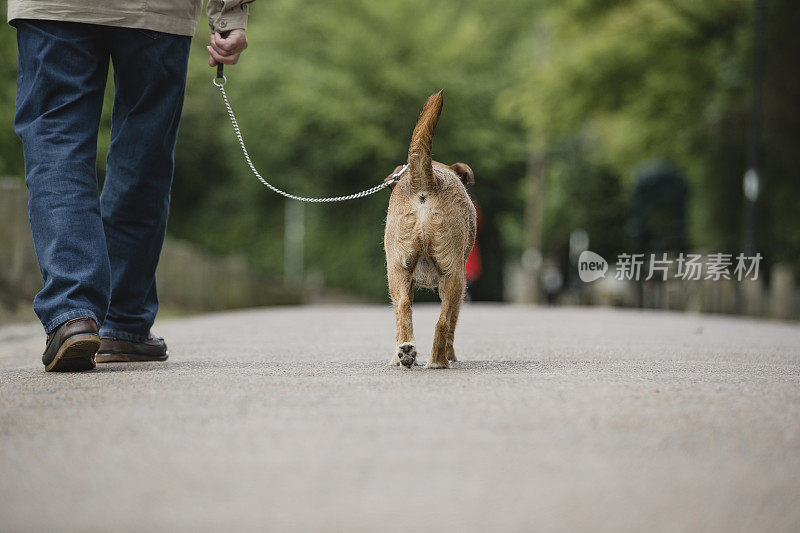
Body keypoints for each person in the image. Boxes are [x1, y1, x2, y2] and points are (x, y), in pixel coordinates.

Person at [8, 0, 253, 371]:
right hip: (156, 11)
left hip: (53, 9)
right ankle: (120, 322)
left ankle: (71, 311)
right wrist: (228, 13)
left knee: (55, 137)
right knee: (144, 151)